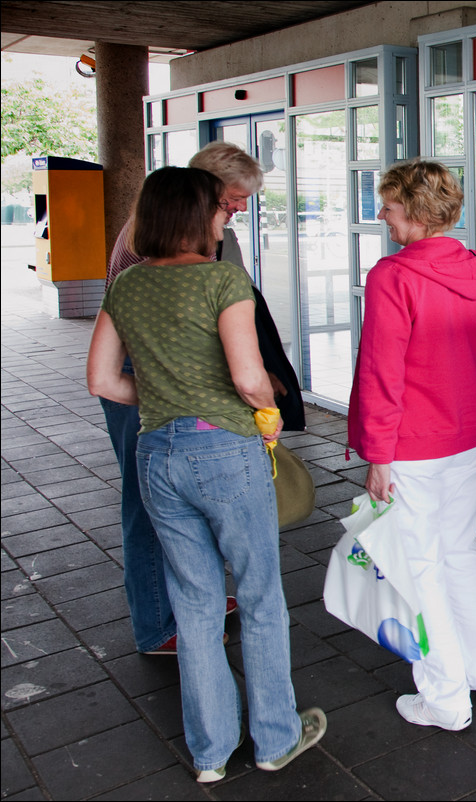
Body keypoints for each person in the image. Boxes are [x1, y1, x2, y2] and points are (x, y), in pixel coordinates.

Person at [86, 167, 326, 782]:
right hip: (225, 452)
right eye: (219, 210)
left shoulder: (127, 284)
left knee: (193, 605)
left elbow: (103, 382)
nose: (226, 218)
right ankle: (275, 738)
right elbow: (249, 378)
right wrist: (266, 416)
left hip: (155, 455)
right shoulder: (223, 279)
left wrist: (167, 392)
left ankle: (210, 755)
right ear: (197, 218)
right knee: (260, 596)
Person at [101, 142, 303, 656]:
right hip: (169, 386)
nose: (237, 210)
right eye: (232, 200)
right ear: (204, 193)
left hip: (158, 389)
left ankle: (195, 608)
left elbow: (99, 375)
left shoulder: (164, 244)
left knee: (171, 510)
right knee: (147, 513)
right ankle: (156, 625)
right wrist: (261, 402)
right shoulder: (178, 255)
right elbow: (206, 347)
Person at [347, 159, 476, 732]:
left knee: (419, 568)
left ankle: (444, 699)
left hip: (412, 444)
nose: (381, 216)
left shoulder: (393, 276)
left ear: (414, 212)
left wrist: (377, 454)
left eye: (388, 207)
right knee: (461, 551)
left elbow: (381, 372)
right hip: (469, 436)